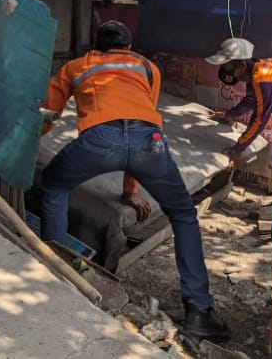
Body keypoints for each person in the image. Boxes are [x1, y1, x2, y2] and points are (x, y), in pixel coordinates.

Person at [39, 21, 231, 341]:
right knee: (183, 214)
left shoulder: (76, 65)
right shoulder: (147, 66)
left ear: (96, 46)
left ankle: (59, 275)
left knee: (54, 186)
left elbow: (49, 114)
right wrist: (130, 191)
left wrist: (25, 143)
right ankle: (199, 311)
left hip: (96, 141)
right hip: (149, 143)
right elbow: (139, 118)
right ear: (129, 47)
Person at [205, 38, 272, 170]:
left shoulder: (262, 79)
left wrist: (239, 148)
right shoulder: (258, 68)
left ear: (241, 66)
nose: (223, 69)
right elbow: (252, 99)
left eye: (226, 66)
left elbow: (259, 119)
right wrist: (230, 115)